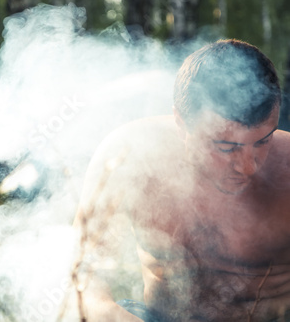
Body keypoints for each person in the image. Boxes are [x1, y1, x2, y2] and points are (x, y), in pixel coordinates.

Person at [74, 39, 290, 321]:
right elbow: (85, 279)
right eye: (226, 147)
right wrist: (111, 315)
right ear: (181, 122)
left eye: (263, 141)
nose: (248, 167)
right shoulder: (129, 156)